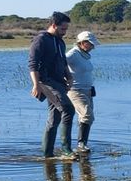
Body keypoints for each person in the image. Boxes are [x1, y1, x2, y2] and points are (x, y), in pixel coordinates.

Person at [28, 11, 74, 159]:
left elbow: (63, 61)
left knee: (55, 118)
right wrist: (36, 85)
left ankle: (47, 154)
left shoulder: (60, 42)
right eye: (62, 29)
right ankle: (66, 150)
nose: (65, 32)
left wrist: (69, 76)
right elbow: (33, 64)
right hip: (46, 81)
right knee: (68, 109)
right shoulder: (41, 40)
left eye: (66, 29)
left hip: (59, 82)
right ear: (54, 25)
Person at [64, 30, 100, 155]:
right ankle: (81, 144)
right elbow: (60, 63)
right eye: (91, 44)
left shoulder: (84, 55)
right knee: (87, 115)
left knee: (87, 117)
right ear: (82, 42)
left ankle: (83, 144)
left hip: (88, 91)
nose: (93, 47)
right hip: (75, 90)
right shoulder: (73, 54)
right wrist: (65, 79)